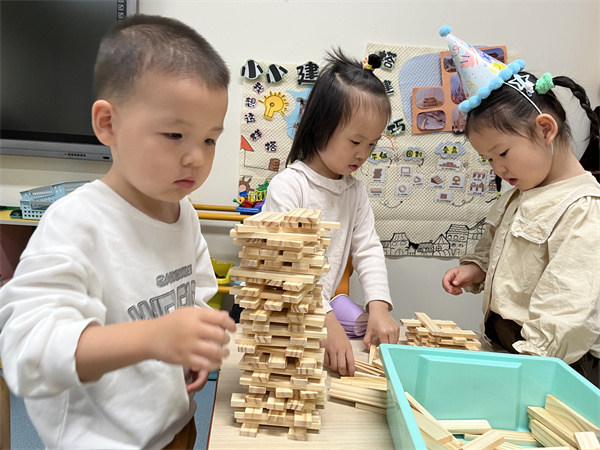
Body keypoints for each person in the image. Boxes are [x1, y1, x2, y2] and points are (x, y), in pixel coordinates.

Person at [0, 14, 237, 448]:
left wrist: (197, 341)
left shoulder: (182, 213)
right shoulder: (76, 223)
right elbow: (28, 354)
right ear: (108, 124)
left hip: (176, 428)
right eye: (175, 134)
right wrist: (154, 338)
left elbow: (196, 292)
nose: (197, 158)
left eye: (209, 139)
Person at [439, 26, 600, 388]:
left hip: (553, 363)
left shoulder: (584, 208)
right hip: (513, 348)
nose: (497, 168)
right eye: (488, 159)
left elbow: (568, 308)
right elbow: (499, 244)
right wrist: (476, 269)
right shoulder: (522, 189)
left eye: (502, 153)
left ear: (545, 130)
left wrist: (529, 365)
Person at [263, 49, 401, 377]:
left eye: (372, 144)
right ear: (320, 127)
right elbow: (288, 267)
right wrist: (325, 320)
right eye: (355, 141)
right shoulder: (289, 186)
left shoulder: (354, 192)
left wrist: (379, 305)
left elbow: (368, 249)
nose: (363, 154)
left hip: (318, 311)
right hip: (280, 317)